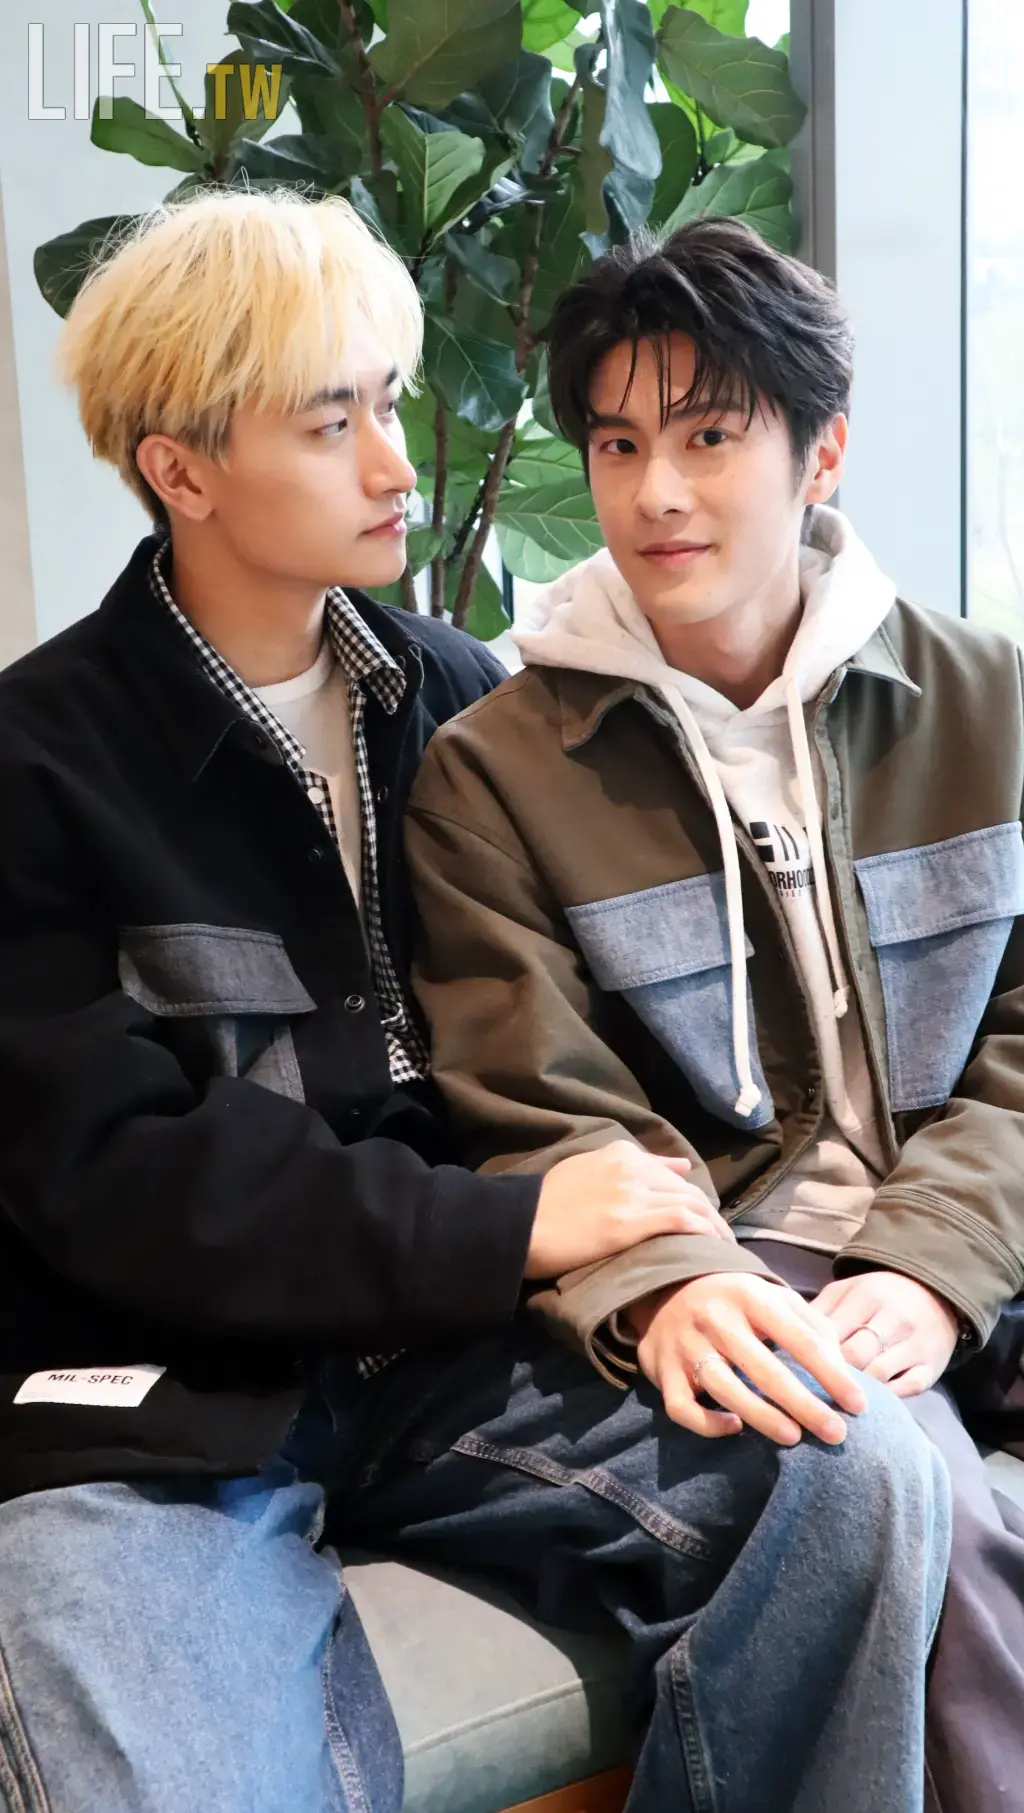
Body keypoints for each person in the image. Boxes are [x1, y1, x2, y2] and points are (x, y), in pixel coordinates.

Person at [0, 191, 946, 1813]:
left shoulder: (455, 697)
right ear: (182, 471)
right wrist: (509, 1231)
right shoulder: (36, 764)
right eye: (333, 424)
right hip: (162, 1415)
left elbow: (549, 1057)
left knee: (852, 1476)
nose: (395, 463)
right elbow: (116, 1181)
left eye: (389, 403)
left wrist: (664, 1272)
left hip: (453, 1363)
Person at [405, 218, 1024, 1813]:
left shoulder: (993, 703)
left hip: (973, 1225)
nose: (655, 493)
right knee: (924, 1511)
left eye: (707, 437)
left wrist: (938, 1260)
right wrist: (671, 1283)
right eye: (618, 445)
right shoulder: (496, 771)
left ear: (823, 455)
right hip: (754, 1260)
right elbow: (534, 1102)